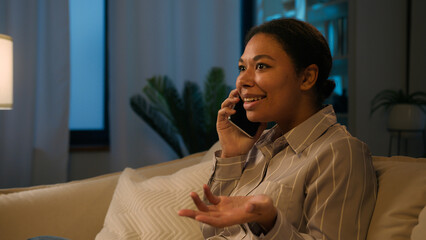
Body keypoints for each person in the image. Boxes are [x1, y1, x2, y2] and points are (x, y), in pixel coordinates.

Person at [178, 18, 377, 239]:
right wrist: (231, 155)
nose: (242, 80)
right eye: (242, 67)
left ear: (307, 77)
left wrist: (270, 222)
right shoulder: (257, 145)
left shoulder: (340, 152)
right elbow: (211, 230)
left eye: (261, 66)